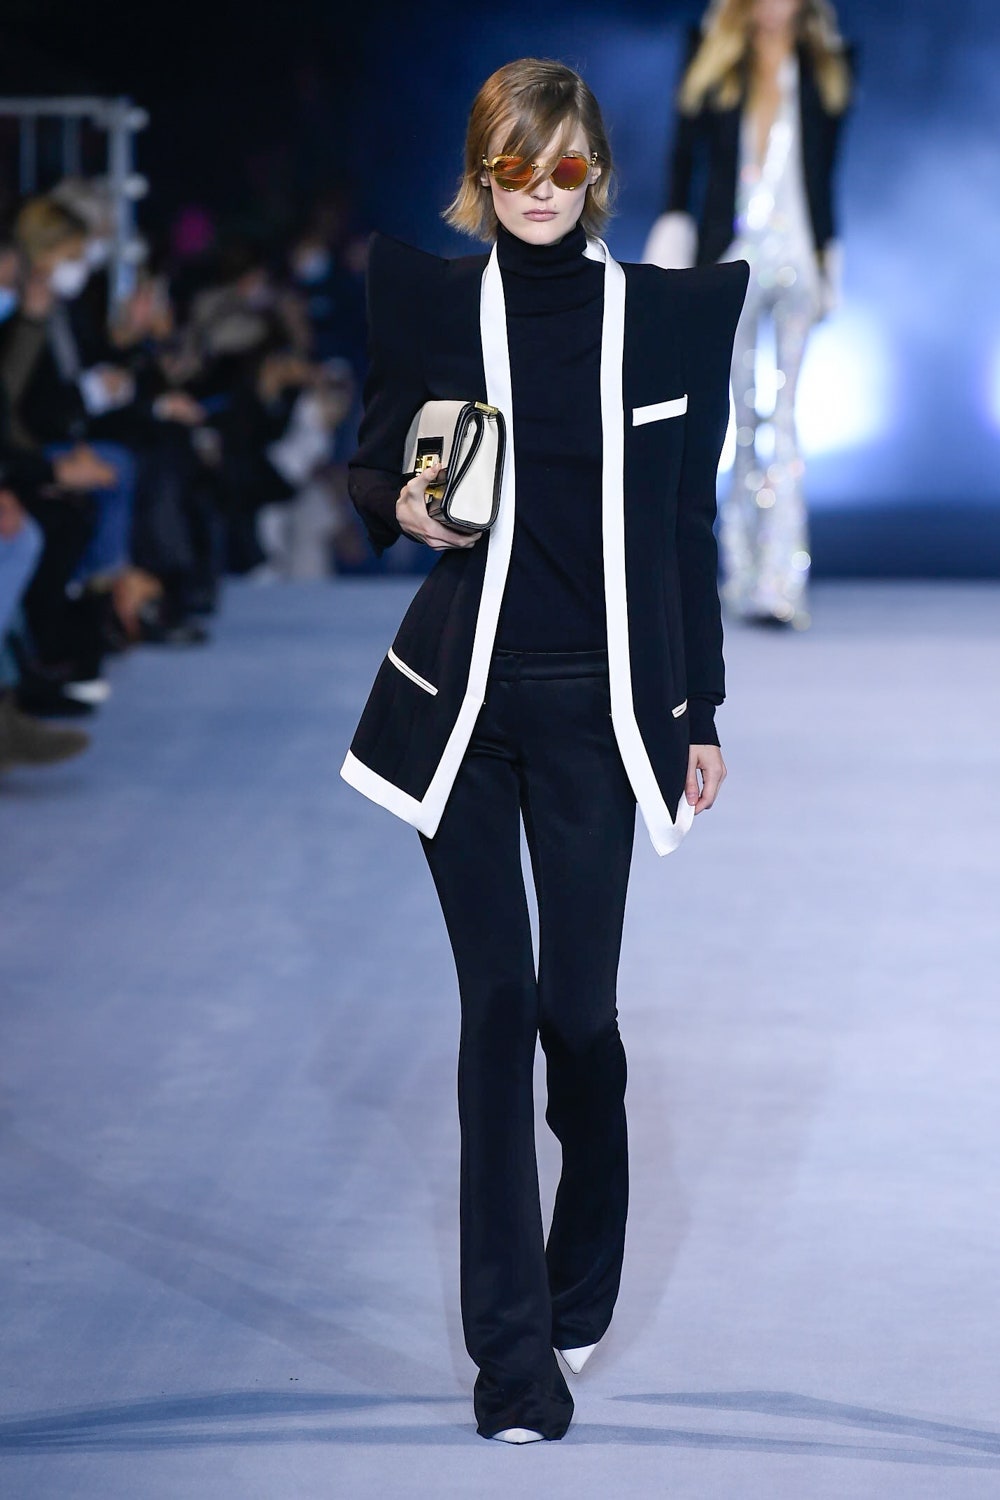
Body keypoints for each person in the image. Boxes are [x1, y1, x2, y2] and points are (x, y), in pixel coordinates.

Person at [342, 58, 747, 1443]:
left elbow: (687, 526)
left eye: (562, 166)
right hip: (461, 707)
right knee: (497, 1011)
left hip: (597, 711)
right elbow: (370, 463)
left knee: (579, 1018)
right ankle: (512, 1361)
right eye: (513, 168)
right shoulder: (429, 301)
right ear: (483, 174)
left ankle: (582, 1270)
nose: (538, 191)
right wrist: (402, 504)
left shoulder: (669, 320)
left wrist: (699, 710)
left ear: (598, 175)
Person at [646, 0, 854, 626]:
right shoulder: (713, 54)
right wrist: (676, 242)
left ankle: (781, 581)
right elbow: (683, 159)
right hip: (730, 254)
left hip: (797, 256)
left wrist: (828, 260)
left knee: (785, 415)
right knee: (733, 415)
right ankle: (737, 570)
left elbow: (826, 173)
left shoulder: (828, 65)